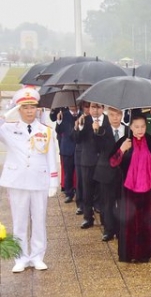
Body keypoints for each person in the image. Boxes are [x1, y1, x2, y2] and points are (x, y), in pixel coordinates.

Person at [0, 86, 59, 272]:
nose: (29, 111)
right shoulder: (8, 129)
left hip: (39, 180)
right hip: (17, 181)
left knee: (39, 219)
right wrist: (6, 112)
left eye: (32, 107)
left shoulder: (46, 131)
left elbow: (51, 157)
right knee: (19, 220)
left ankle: (37, 256)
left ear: (37, 109)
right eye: (25, 107)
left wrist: (53, 182)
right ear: (19, 109)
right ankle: (21, 258)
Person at [109, 113, 151, 262]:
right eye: (136, 127)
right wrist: (122, 149)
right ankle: (128, 254)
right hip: (128, 189)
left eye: (143, 126)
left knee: (146, 222)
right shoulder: (125, 141)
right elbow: (112, 162)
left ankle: (144, 254)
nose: (140, 129)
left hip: (148, 189)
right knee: (128, 222)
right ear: (130, 127)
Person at [94, 107, 126, 241]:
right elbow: (97, 148)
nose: (115, 118)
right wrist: (96, 131)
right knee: (108, 203)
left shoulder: (129, 130)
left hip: (124, 174)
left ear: (122, 114)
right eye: (112, 115)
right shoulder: (102, 131)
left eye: (118, 114)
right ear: (107, 115)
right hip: (106, 172)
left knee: (122, 202)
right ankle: (108, 230)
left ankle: (121, 229)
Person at [72, 102, 106, 229]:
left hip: (103, 161)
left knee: (102, 191)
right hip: (87, 160)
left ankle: (104, 216)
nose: (95, 110)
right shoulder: (83, 120)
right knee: (87, 190)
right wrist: (78, 127)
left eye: (98, 107)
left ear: (103, 108)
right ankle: (87, 217)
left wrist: (98, 130)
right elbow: (76, 139)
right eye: (92, 107)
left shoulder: (107, 120)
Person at [55, 106, 79, 203]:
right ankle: (69, 193)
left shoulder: (82, 114)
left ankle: (79, 193)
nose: (73, 106)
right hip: (67, 148)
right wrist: (59, 121)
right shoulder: (63, 115)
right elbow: (59, 131)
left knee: (80, 174)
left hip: (80, 148)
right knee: (68, 173)